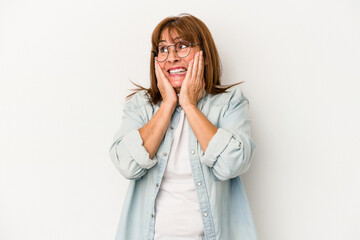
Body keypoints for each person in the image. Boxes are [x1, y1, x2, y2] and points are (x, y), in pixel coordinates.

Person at [109, 13, 257, 240]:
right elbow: (126, 165)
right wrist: (168, 103)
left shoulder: (230, 102)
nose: (171, 57)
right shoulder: (140, 106)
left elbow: (232, 164)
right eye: (163, 49)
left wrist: (189, 105)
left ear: (204, 56)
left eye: (182, 46)